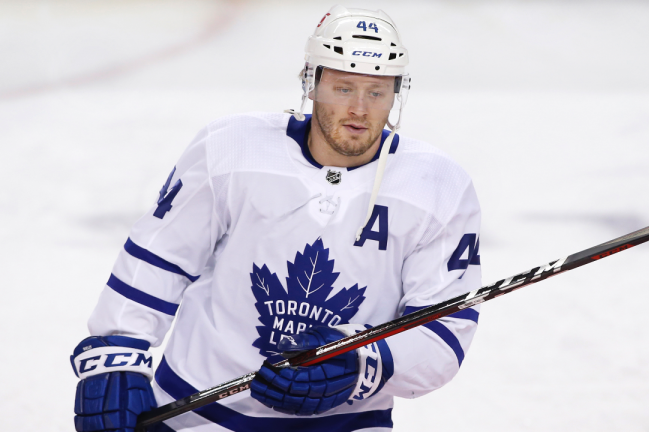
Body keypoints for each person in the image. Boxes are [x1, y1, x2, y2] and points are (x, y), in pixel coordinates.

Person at [70, 5, 482, 432]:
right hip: (196, 412)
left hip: (347, 424)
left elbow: (443, 333)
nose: (360, 109)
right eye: (344, 88)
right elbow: (162, 257)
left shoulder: (438, 186)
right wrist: (118, 347)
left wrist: (360, 361)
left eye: (376, 93)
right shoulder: (231, 148)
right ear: (311, 81)